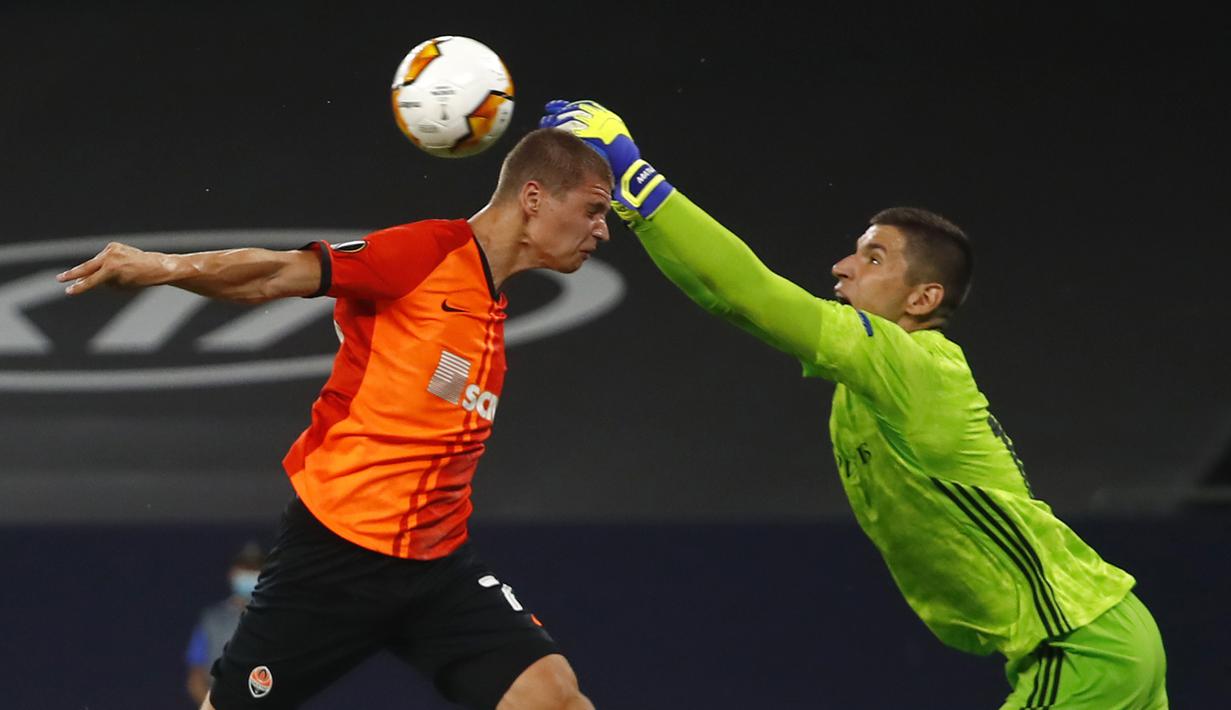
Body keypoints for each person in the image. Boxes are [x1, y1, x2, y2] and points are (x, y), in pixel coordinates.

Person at [541, 100, 1168, 709]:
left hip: (1082, 648)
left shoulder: (912, 364)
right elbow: (729, 301)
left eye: (873, 258)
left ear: (922, 299)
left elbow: (746, 295)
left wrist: (638, 181)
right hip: (1097, 640)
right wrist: (635, 207)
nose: (841, 267)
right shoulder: (865, 385)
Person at [58, 127, 609, 710]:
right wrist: (162, 266)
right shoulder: (425, 254)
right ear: (533, 198)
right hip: (335, 556)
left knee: (552, 696)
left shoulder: (491, 301)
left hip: (436, 566)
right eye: (594, 210)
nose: (601, 229)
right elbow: (277, 272)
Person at [185, 541, 267, 707]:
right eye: (245, 569)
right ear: (232, 573)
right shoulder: (212, 619)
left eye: (254, 569)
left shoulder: (273, 619)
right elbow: (195, 678)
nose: (249, 574)